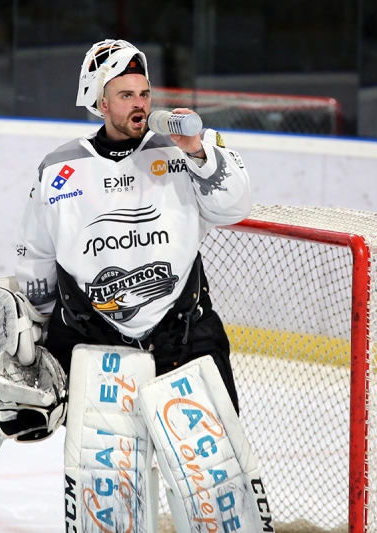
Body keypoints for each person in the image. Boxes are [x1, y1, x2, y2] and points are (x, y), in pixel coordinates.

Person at [14, 39, 251, 412]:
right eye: (126, 95)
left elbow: (233, 207)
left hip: (187, 339)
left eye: (144, 93)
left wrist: (197, 152)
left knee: (216, 471)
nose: (140, 103)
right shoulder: (59, 170)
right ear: (102, 104)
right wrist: (38, 329)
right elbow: (37, 253)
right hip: (95, 349)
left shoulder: (184, 150)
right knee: (108, 472)